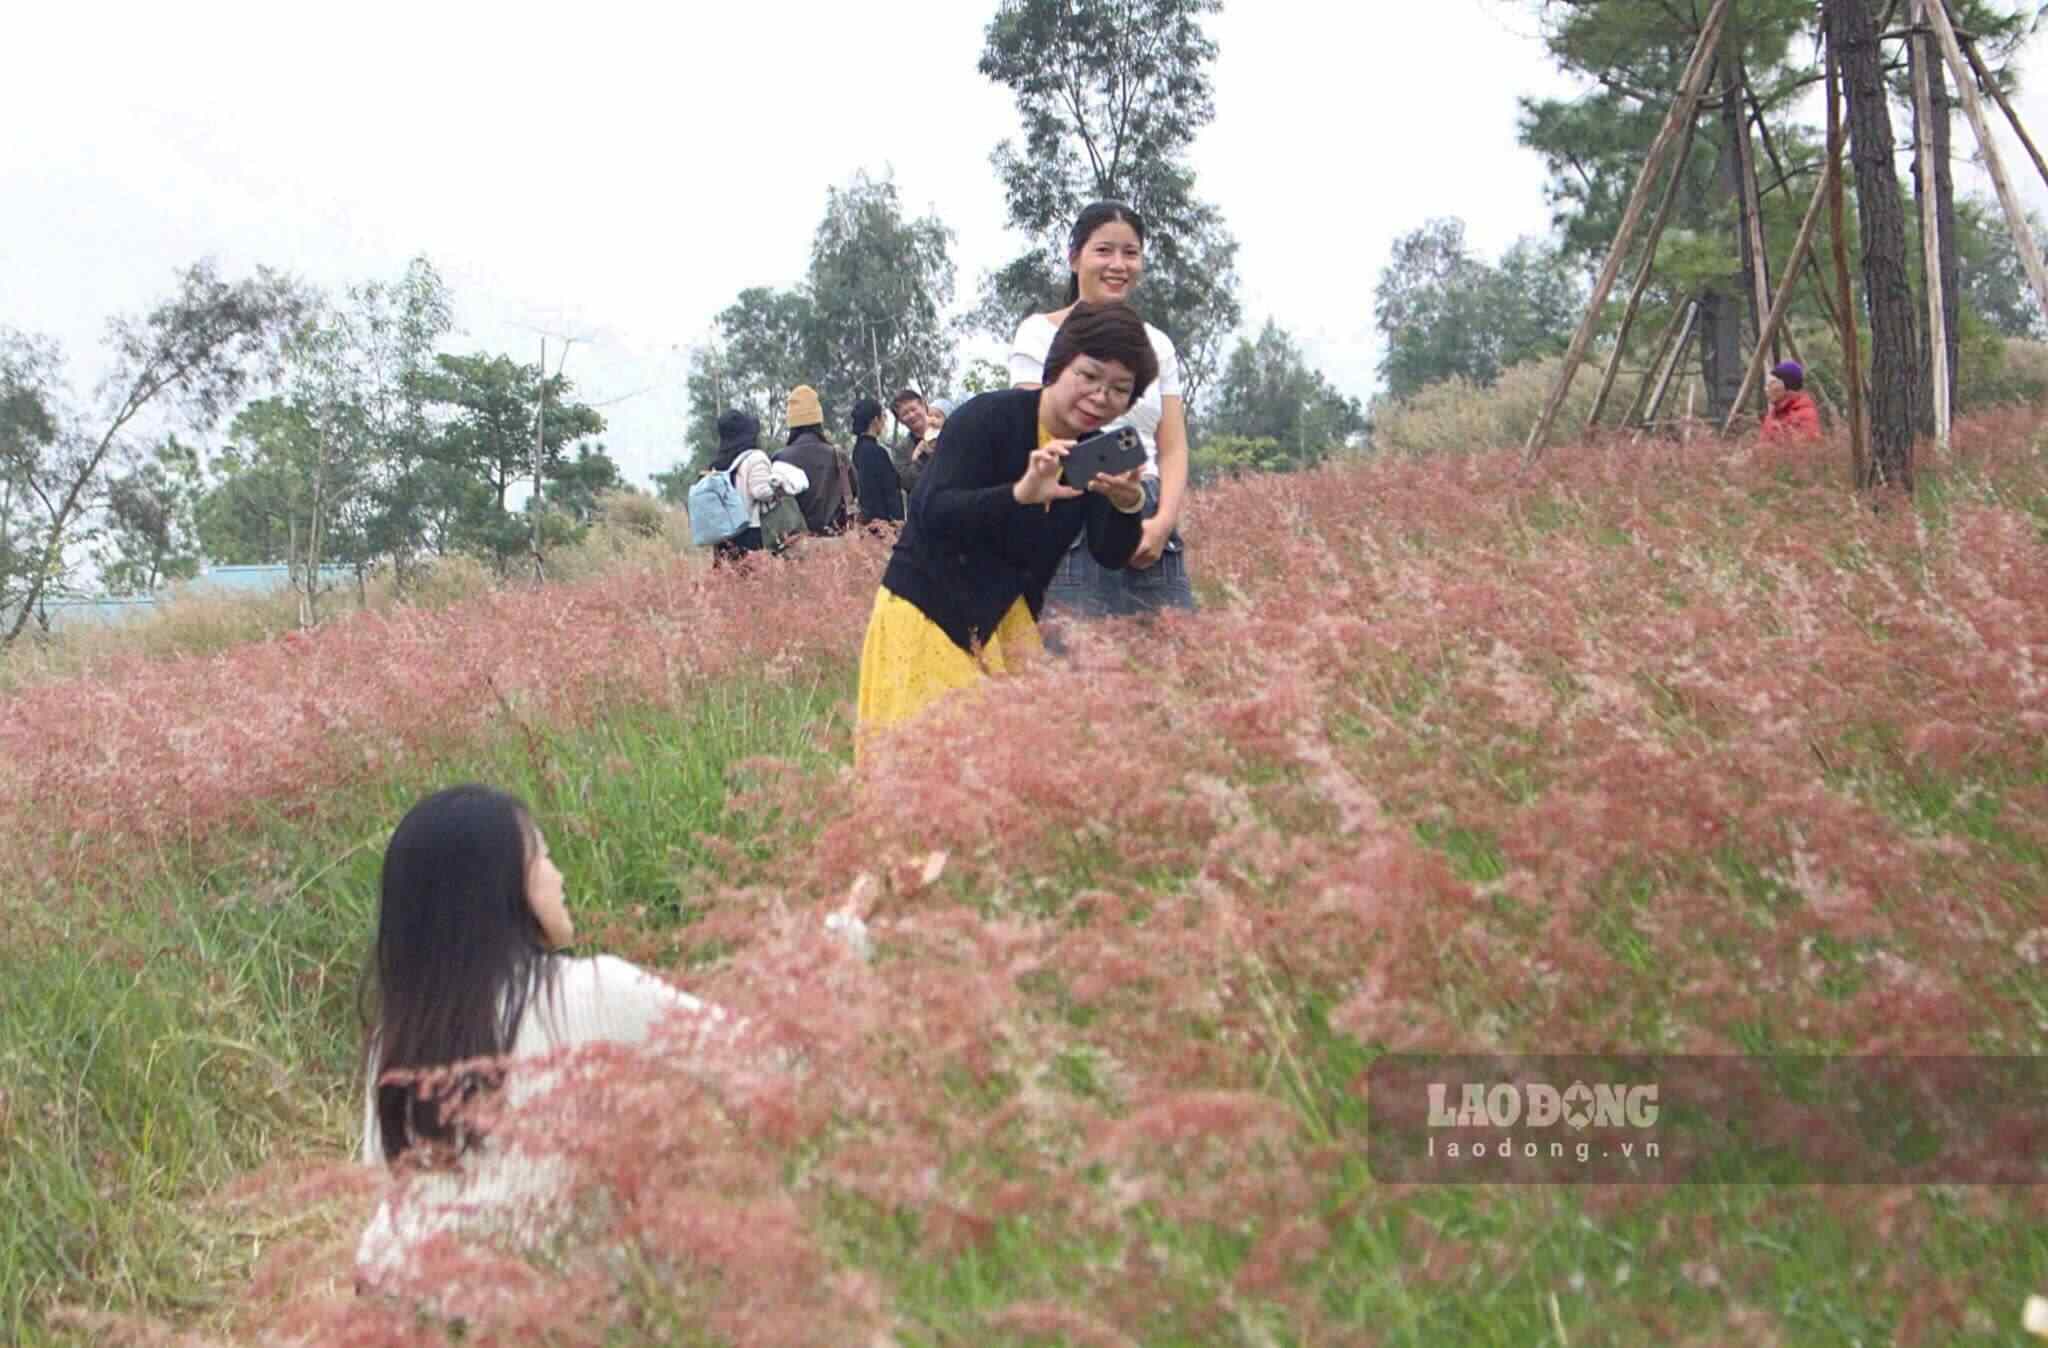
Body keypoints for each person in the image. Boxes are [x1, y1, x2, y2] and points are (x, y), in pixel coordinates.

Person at [355, 784, 724, 1290]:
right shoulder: (595, 990)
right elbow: (769, 1059)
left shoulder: (400, 1040)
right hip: (548, 1313)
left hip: (401, 1302)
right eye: (543, 856)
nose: (558, 875)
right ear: (504, 888)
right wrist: (841, 940)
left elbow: (388, 1187)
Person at [856, 301, 1154, 734]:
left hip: (1007, 625)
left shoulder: (1090, 454)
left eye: (1119, 389)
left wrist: (1127, 504)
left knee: (1007, 788)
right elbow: (932, 512)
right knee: (932, 781)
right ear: (1057, 366)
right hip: (929, 614)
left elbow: (1110, 552)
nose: (1100, 397)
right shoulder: (987, 416)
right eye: (1089, 376)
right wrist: (1019, 495)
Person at [1010, 201, 1195, 621]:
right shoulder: (1039, 333)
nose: (1118, 265)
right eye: (1103, 251)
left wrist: (1162, 522)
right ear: (1074, 258)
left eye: (1130, 253)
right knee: (1078, 668)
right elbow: (1034, 428)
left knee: (1172, 668)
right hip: (1073, 508)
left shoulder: (1158, 345)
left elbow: (1173, 447)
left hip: (1146, 508)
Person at [775, 385, 850, 534]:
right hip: (839, 546)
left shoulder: (780, 459)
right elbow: (854, 493)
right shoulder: (838, 456)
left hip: (795, 548)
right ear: (819, 420)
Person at [706, 409, 778, 563]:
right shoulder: (755, 457)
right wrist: (780, 487)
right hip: (750, 531)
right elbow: (762, 492)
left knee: (728, 581)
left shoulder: (716, 465)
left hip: (723, 535)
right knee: (754, 581)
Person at [850, 396, 905, 524]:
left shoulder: (857, 451)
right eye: (883, 417)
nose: (884, 422)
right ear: (876, 420)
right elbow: (890, 493)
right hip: (883, 526)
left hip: (866, 524)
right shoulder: (877, 452)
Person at [891, 388, 938, 498]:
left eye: (913, 409)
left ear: (923, 405)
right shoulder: (900, 450)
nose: (911, 415)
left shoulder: (946, 430)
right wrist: (922, 456)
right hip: (926, 507)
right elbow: (906, 482)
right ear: (900, 420)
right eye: (905, 413)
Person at [1761, 361, 1822, 443]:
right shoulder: (1771, 416)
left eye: (1772, 383)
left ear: (1788, 385)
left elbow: (1806, 449)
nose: (1766, 389)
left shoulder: (1806, 414)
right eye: (1767, 385)